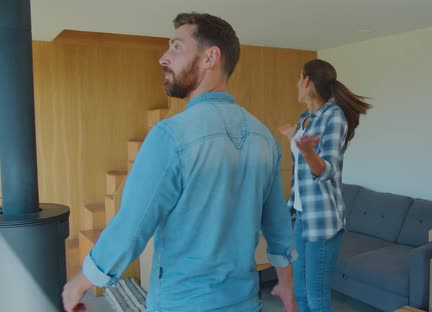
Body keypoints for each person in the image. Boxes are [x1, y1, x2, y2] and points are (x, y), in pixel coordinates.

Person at [63, 12, 295, 312]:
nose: (163, 58)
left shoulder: (170, 135)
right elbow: (278, 226)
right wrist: (286, 285)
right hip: (246, 302)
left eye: (176, 47)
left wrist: (82, 280)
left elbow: (132, 224)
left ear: (211, 57)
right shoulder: (264, 138)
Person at [278, 59, 371, 312]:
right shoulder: (305, 118)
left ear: (307, 80)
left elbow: (326, 169)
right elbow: (301, 164)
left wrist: (307, 152)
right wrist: (293, 139)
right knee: (301, 293)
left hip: (323, 221)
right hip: (301, 216)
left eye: (299, 78)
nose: (297, 84)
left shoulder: (334, 116)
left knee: (316, 297)